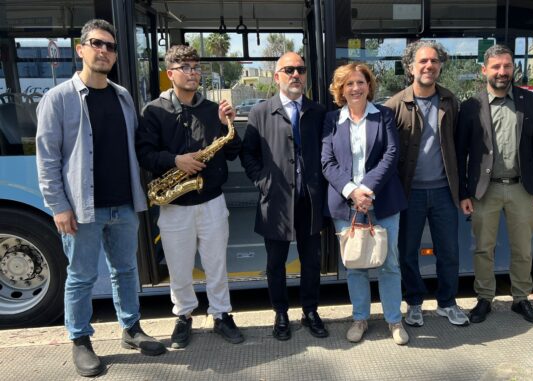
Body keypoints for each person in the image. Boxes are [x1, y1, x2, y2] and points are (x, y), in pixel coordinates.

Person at [35, 19, 165, 377]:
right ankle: (80, 340)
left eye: (110, 46)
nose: (104, 51)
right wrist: (58, 206)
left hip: (124, 204)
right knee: (80, 276)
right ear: (81, 49)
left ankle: (131, 329)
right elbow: (46, 159)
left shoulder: (123, 96)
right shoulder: (58, 99)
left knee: (125, 270)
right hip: (82, 209)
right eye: (97, 43)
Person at [136, 45, 244, 349]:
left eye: (196, 67)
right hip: (174, 203)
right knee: (179, 266)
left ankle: (221, 314)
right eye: (186, 68)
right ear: (170, 73)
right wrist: (175, 160)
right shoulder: (153, 110)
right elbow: (144, 154)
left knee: (216, 264)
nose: (193, 73)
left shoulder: (213, 110)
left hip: (211, 200)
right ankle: (183, 316)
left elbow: (232, 151)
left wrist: (229, 124)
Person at [240, 52, 328, 341]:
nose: (296, 74)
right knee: (275, 263)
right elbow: (248, 153)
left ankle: (310, 311)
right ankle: (280, 313)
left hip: (310, 201)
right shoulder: (261, 112)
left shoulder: (317, 111)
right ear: (276, 76)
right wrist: (262, 181)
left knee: (311, 261)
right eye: (288, 69)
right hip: (276, 202)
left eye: (300, 69)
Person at [457, 44, 533, 325]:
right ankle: (485, 299)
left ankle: (522, 300)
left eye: (507, 66)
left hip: (522, 188)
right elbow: (460, 153)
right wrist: (463, 193)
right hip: (485, 190)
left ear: (513, 69)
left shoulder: (529, 102)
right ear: (484, 70)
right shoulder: (471, 106)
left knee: (523, 248)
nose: (502, 72)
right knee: (484, 247)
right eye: (496, 67)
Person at [322, 63, 409, 345]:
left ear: (369, 86)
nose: (356, 88)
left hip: (382, 201)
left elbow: (391, 154)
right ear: (341, 90)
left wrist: (366, 189)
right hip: (347, 204)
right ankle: (360, 318)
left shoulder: (384, 115)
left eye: (360, 82)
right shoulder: (331, 120)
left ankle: (394, 320)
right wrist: (352, 192)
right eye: (349, 84)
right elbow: (327, 162)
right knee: (356, 264)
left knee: (390, 264)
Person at [384, 40, 469, 328]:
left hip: (445, 191)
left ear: (440, 66)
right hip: (409, 194)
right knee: (407, 253)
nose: (429, 66)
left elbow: (459, 147)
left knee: (449, 251)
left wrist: (463, 190)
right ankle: (415, 303)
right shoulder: (394, 105)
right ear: (411, 67)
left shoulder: (450, 101)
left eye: (433, 61)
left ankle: (447, 302)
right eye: (422, 61)